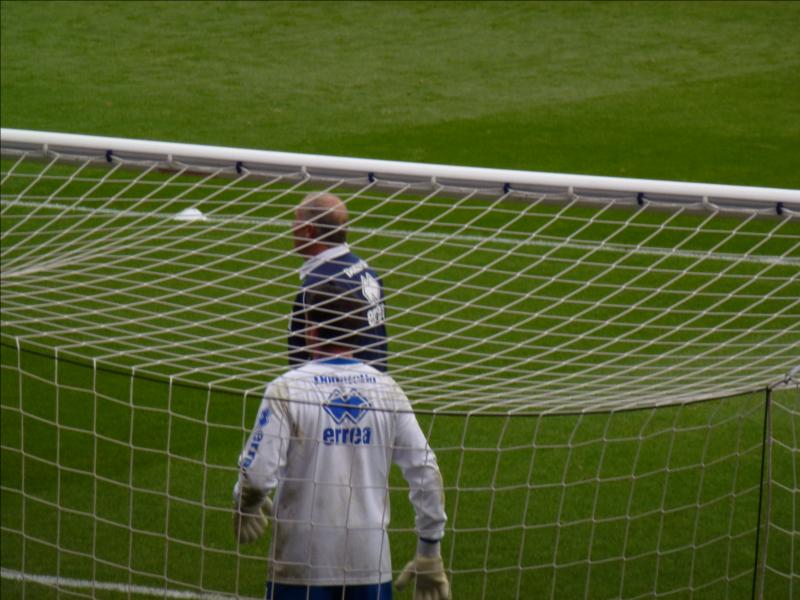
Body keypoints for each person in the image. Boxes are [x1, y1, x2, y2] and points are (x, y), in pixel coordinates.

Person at [234, 281, 449, 600]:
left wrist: (245, 501)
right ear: (359, 331)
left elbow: (255, 476)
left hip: (301, 565)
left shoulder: (287, 389)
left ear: (311, 328)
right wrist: (429, 550)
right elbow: (426, 471)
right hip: (370, 565)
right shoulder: (387, 390)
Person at [288, 192, 388, 373]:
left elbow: (303, 359)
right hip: (376, 387)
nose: (292, 227)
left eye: (296, 220)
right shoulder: (366, 271)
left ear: (309, 230)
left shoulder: (318, 287)